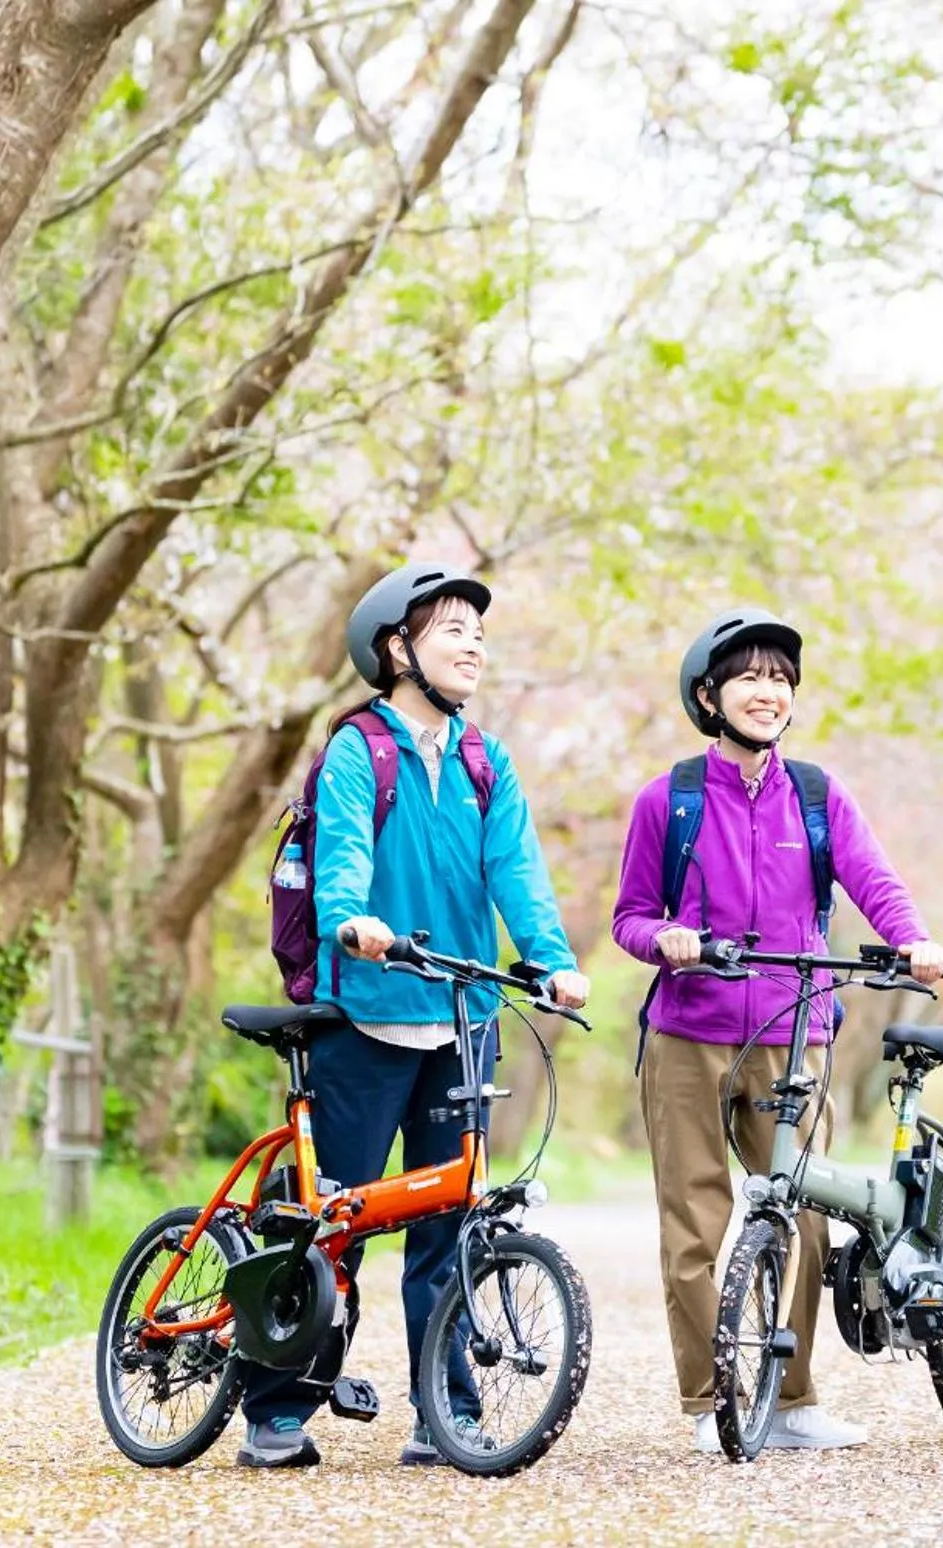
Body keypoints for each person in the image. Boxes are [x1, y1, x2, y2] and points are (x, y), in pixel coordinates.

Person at [237, 562, 590, 1470]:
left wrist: (551, 960)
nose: (474, 645)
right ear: (397, 649)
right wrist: (351, 921)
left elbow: (517, 870)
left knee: (451, 1225)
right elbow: (342, 856)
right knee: (331, 1221)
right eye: (452, 630)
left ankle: (446, 1411)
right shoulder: (361, 749)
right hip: (366, 1012)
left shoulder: (485, 760)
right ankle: (278, 1406)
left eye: (479, 632)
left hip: (463, 1016)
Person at [611, 607, 943, 1454]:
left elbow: (874, 880)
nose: (768, 692)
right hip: (688, 1034)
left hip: (795, 1033)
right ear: (709, 696)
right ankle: (710, 1402)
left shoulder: (817, 797)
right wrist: (665, 939)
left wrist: (912, 942)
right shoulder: (670, 799)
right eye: (750, 678)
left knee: (802, 1214)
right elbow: (629, 916)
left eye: (780, 679)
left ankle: (793, 1401)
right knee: (694, 1221)